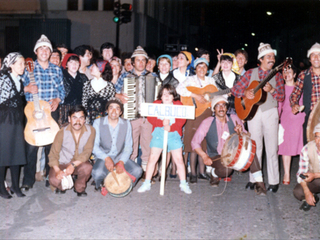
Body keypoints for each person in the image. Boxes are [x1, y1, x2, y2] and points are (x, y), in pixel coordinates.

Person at [231, 42, 285, 193]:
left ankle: (273, 181)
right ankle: (254, 179)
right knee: (255, 147)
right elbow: (235, 90)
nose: (272, 59)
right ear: (261, 59)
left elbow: (281, 96)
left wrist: (272, 89)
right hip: (253, 113)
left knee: (272, 148)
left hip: (270, 112)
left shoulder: (277, 75)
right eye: (269, 56)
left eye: (273, 56)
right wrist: (245, 93)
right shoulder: (250, 73)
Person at [191, 96, 267, 195]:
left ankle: (260, 184)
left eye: (223, 105)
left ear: (227, 108)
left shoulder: (234, 118)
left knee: (250, 153)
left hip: (233, 154)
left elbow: (246, 138)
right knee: (226, 170)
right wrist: (204, 156)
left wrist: (240, 133)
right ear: (214, 109)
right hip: (215, 156)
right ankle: (214, 173)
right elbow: (194, 142)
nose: (221, 108)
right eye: (218, 106)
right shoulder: (207, 122)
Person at [22, 34, 65, 190]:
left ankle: (50, 176)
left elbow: (62, 91)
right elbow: (18, 88)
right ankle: (28, 180)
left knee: (51, 147)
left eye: (47, 48)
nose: (44, 50)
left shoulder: (57, 69)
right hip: (34, 113)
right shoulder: (28, 68)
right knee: (31, 147)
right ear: (36, 51)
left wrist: (57, 100)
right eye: (41, 48)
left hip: (50, 112)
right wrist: (27, 88)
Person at [137, 84, 191, 194]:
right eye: (164, 94)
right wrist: (161, 123)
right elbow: (151, 118)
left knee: (179, 159)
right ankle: (147, 182)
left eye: (169, 94)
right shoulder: (156, 104)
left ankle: (183, 183)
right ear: (160, 96)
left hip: (174, 134)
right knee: (153, 158)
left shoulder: (178, 105)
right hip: (159, 133)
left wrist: (171, 126)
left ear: (173, 96)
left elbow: (182, 120)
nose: (167, 96)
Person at [116, 46, 155, 174]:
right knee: (130, 146)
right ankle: (130, 173)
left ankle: (146, 173)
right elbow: (113, 91)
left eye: (143, 60)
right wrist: (119, 95)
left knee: (147, 145)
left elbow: (159, 95)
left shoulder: (153, 76)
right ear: (132, 62)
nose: (141, 63)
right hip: (131, 116)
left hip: (148, 118)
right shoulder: (125, 76)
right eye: (138, 60)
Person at [176, 58, 216, 183]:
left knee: (203, 143)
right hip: (194, 113)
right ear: (195, 68)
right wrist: (195, 95)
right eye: (199, 67)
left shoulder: (211, 80)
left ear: (207, 69)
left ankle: (202, 172)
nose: (202, 69)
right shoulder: (190, 80)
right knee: (193, 142)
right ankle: (193, 172)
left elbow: (216, 94)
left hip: (206, 113)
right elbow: (179, 89)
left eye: (204, 67)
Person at [92, 98, 143, 191]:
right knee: (97, 172)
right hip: (104, 156)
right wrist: (106, 158)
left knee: (138, 170)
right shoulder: (98, 122)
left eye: (117, 108)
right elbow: (94, 146)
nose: (114, 111)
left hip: (120, 156)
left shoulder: (126, 123)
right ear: (107, 110)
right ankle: (104, 183)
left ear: (120, 112)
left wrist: (122, 162)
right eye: (111, 108)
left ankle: (123, 186)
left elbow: (128, 146)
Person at [48, 105, 95, 196]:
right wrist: (58, 171)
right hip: (63, 163)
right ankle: (63, 185)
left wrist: (73, 165)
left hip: (79, 163)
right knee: (54, 180)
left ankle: (79, 188)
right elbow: (53, 154)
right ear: (69, 119)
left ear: (85, 120)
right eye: (74, 118)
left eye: (81, 118)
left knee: (88, 167)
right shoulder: (62, 132)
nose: (78, 121)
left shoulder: (91, 130)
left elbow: (87, 152)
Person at [0, 52, 27, 199]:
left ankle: (16, 186)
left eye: (23, 63)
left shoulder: (19, 80)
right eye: (20, 64)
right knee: (4, 153)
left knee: (17, 152)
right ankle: (1, 188)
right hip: (4, 120)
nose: (23, 66)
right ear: (11, 65)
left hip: (17, 120)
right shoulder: (3, 79)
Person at [278, 65, 305, 185]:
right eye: (284, 72)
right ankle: (286, 173)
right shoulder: (281, 88)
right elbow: (279, 106)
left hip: (300, 119)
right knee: (286, 147)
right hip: (286, 120)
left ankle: (302, 172)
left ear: (295, 75)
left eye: (289, 72)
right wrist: (277, 120)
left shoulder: (300, 88)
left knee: (302, 147)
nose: (286, 74)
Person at [290, 42, 320, 145]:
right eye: (313, 55)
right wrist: (294, 104)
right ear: (310, 59)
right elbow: (295, 94)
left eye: (319, 54)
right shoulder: (303, 75)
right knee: (309, 148)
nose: (316, 57)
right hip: (311, 117)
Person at [293, 123, 320, 211]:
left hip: (316, 176)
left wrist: (315, 175)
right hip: (317, 180)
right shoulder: (307, 149)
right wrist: (306, 191)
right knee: (298, 192)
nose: (319, 141)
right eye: (317, 137)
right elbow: (301, 173)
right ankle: (312, 196)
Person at [82, 60, 116, 125]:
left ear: (100, 68)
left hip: (104, 121)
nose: (90, 68)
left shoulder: (110, 86)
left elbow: (111, 105)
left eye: (93, 66)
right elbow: (84, 104)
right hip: (89, 120)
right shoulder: (87, 84)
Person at [59, 53, 88, 126]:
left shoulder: (83, 77)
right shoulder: (61, 77)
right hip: (65, 111)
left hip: (80, 110)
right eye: (71, 62)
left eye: (76, 62)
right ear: (66, 65)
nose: (74, 65)